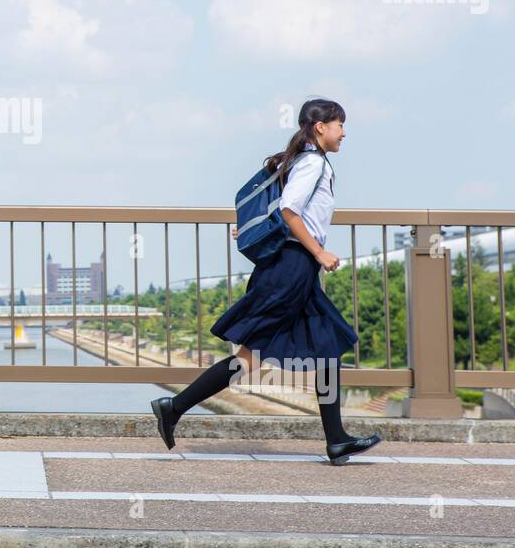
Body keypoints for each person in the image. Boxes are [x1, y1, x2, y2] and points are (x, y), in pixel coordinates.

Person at [151, 98, 383, 465]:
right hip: (290, 270)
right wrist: (320, 253)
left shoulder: (303, 162)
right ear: (320, 127)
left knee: (325, 349)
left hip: (294, 269)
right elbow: (289, 210)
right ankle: (174, 406)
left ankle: (336, 439)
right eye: (339, 125)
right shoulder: (312, 163)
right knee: (252, 356)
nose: (343, 132)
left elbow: (280, 211)